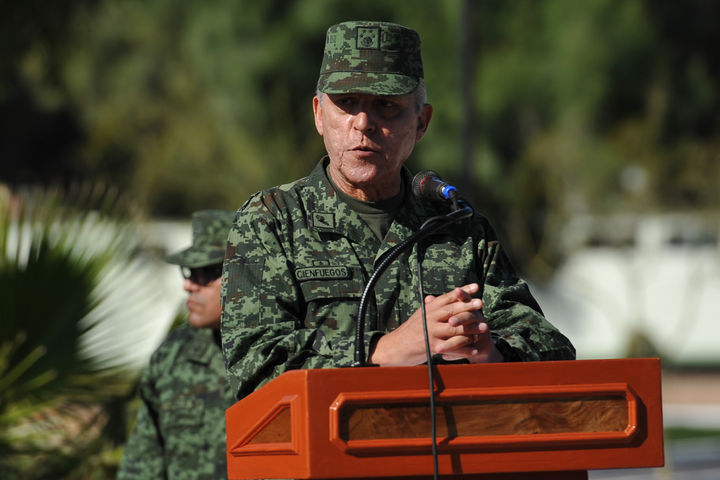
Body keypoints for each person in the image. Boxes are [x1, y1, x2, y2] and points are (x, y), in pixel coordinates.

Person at [221, 21, 575, 401]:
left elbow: (551, 346)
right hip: (327, 457)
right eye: (347, 104)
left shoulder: (457, 226)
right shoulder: (271, 222)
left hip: (448, 454)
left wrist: (487, 352)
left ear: (421, 122)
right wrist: (384, 352)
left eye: (385, 106)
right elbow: (254, 367)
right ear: (319, 115)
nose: (363, 124)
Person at [118, 210, 236, 479]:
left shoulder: (285, 354)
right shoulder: (173, 355)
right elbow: (142, 461)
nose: (188, 285)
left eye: (206, 273)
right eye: (189, 271)